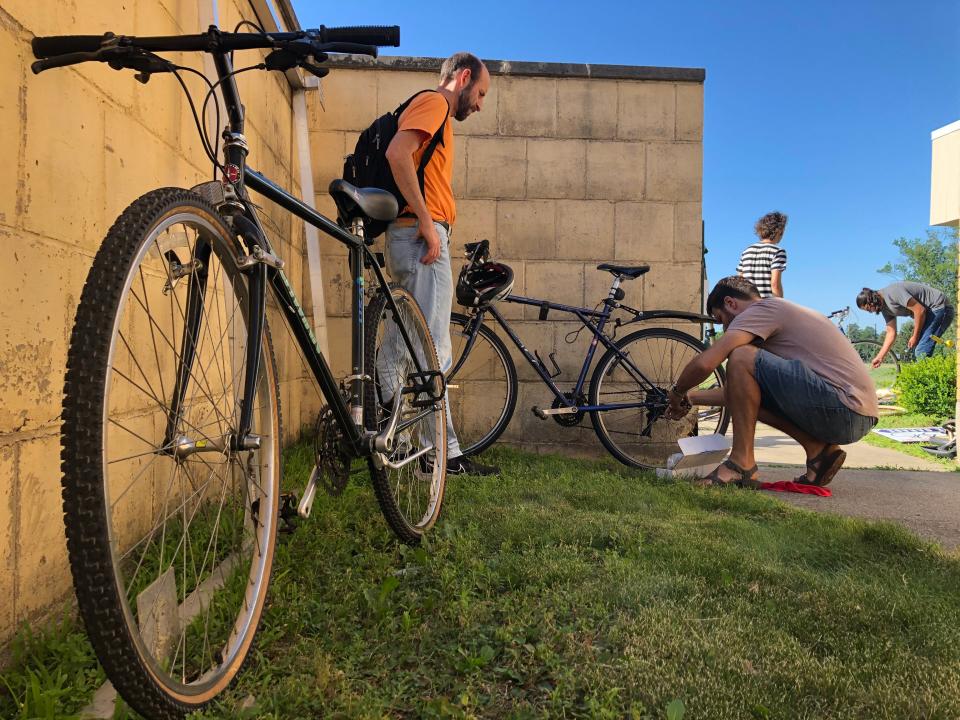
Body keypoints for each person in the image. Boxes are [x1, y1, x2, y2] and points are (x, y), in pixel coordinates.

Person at [382, 52, 498, 476]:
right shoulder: (434, 103)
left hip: (411, 236)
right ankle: (441, 456)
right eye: (481, 92)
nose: (480, 103)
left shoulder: (436, 112)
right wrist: (430, 224)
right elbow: (398, 154)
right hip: (421, 239)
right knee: (434, 348)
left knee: (401, 346)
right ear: (463, 77)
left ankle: (395, 443)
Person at [666, 276, 878, 487]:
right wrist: (690, 397)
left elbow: (706, 363)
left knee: (740, 355)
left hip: (844, 407)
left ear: (730, 303)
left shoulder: (760, 310)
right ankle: (819, 452)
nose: (725, 329)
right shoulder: (780, 311)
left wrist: (676, 392)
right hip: (855, 413)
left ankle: (741, 465)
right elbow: (739, 395)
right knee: (747, 395)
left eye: (722, 320)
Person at [856, 282, 955, 363]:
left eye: (869, 309)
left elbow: (919, 310)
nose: (871, 312)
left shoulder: (892, 293)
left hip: (939, 308)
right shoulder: (884, 309)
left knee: (921, 350)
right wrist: (880, 356)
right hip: (929, 313)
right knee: (920, 349)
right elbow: (891, 333)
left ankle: (928, 383)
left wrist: (915, 336)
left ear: (871, 300)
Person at [737, 211, 788, 298]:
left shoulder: (747, 251)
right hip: (766, 305)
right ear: (779, 231)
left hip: (747, 304)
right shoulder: (778, 251)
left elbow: (740, 280)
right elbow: (775, 284)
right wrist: (780, 306)